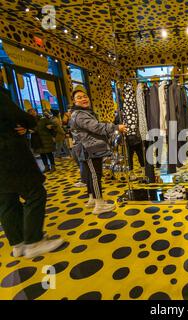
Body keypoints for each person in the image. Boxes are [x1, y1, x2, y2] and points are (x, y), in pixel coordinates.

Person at [0, 83, 64, 259]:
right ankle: (33, 241)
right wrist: (26, 124)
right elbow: (21, 116)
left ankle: (18, 243)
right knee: (35, 193)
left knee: (6, 201)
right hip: (8, 154)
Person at [69, 88, 127, 214]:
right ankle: (99, 204)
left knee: (90, 175)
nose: (84, 99)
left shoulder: (80, 113)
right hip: (89, 149)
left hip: (86, 148)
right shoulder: (80, 114)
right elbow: (96, 127)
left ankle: (92, 199)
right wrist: (116, 127)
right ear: (74, 101)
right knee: (95, 175)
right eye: (79, 97)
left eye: (85, 96)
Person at [27, 108, 58, 172]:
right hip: (37, 140)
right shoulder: (30, 121)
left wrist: (51, 126)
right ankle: (46, 167)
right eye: (30, 112)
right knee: (42, 154)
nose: (32, 113)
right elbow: (27, 129)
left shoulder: (43, 119)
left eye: (33, 111)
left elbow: (54, 125)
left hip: (46, 138)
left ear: (35, 112)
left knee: (49, 153)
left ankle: (53, 166)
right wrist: (29, 131)